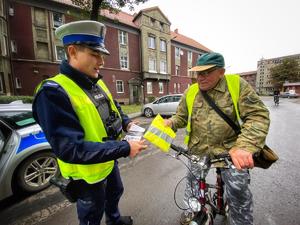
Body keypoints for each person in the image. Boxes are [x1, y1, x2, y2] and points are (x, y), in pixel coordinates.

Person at [32, 20, 147, 225]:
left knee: (115, 193)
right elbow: (70, 149)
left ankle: (114, 221)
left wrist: (127, 124)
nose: (101, 61)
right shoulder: (52, 92)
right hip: (86, 176)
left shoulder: (96, 81)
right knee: (92, 213)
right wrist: (124, 147)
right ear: (73, 51)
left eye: (102, 54)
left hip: (107, 161)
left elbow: (114, 109)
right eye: (95, 54)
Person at [164, 52, 270, 225]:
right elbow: (181, 117)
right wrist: (171, 122)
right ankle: (194, 212)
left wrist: (245, 146)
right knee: (192, 186)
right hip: (198, 150)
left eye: (207, 72)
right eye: (199, 73)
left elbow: (258, 115)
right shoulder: (191, 92)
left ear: (221, 72)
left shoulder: (236, 85)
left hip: (231, 151)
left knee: (237, 191)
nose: (201, 77)